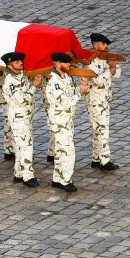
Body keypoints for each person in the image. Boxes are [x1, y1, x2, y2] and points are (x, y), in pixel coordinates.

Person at [44, 52, 88, 192]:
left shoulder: (66, 77)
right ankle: (66, 181)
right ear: (57, 63)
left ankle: (57, 179)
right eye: (66, 62)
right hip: (59, 121)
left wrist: (82, 85)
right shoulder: (54, 82)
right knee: (68, 151)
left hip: (67, 119)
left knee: (60, 150)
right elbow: (65, 102)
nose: (69, 65)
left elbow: (72, 91)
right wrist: (80, 94)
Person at [0, 52, 41, 187]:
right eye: (17, 62)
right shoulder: (10, 82)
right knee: (26, 146)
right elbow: (22, 100)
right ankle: (28, 177)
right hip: (19, 118)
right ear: (9, 65)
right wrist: (34, 86)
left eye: (20, 61)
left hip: (25, 116)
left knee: (20, 146)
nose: (21, 63)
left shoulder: (21, 75)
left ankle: (18, 173)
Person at [85, 33, 120, 171]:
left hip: (104, 99)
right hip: (95, 100)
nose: (106, 47)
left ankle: (96, 158)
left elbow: (116, 74)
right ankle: (105, 160)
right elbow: (98, 80)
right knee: (102, 129)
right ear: (95, 45)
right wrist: (110, 70)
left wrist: (113, 66)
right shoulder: (89, 62)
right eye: (103, 44)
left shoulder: (104, 58)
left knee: (97, 130)